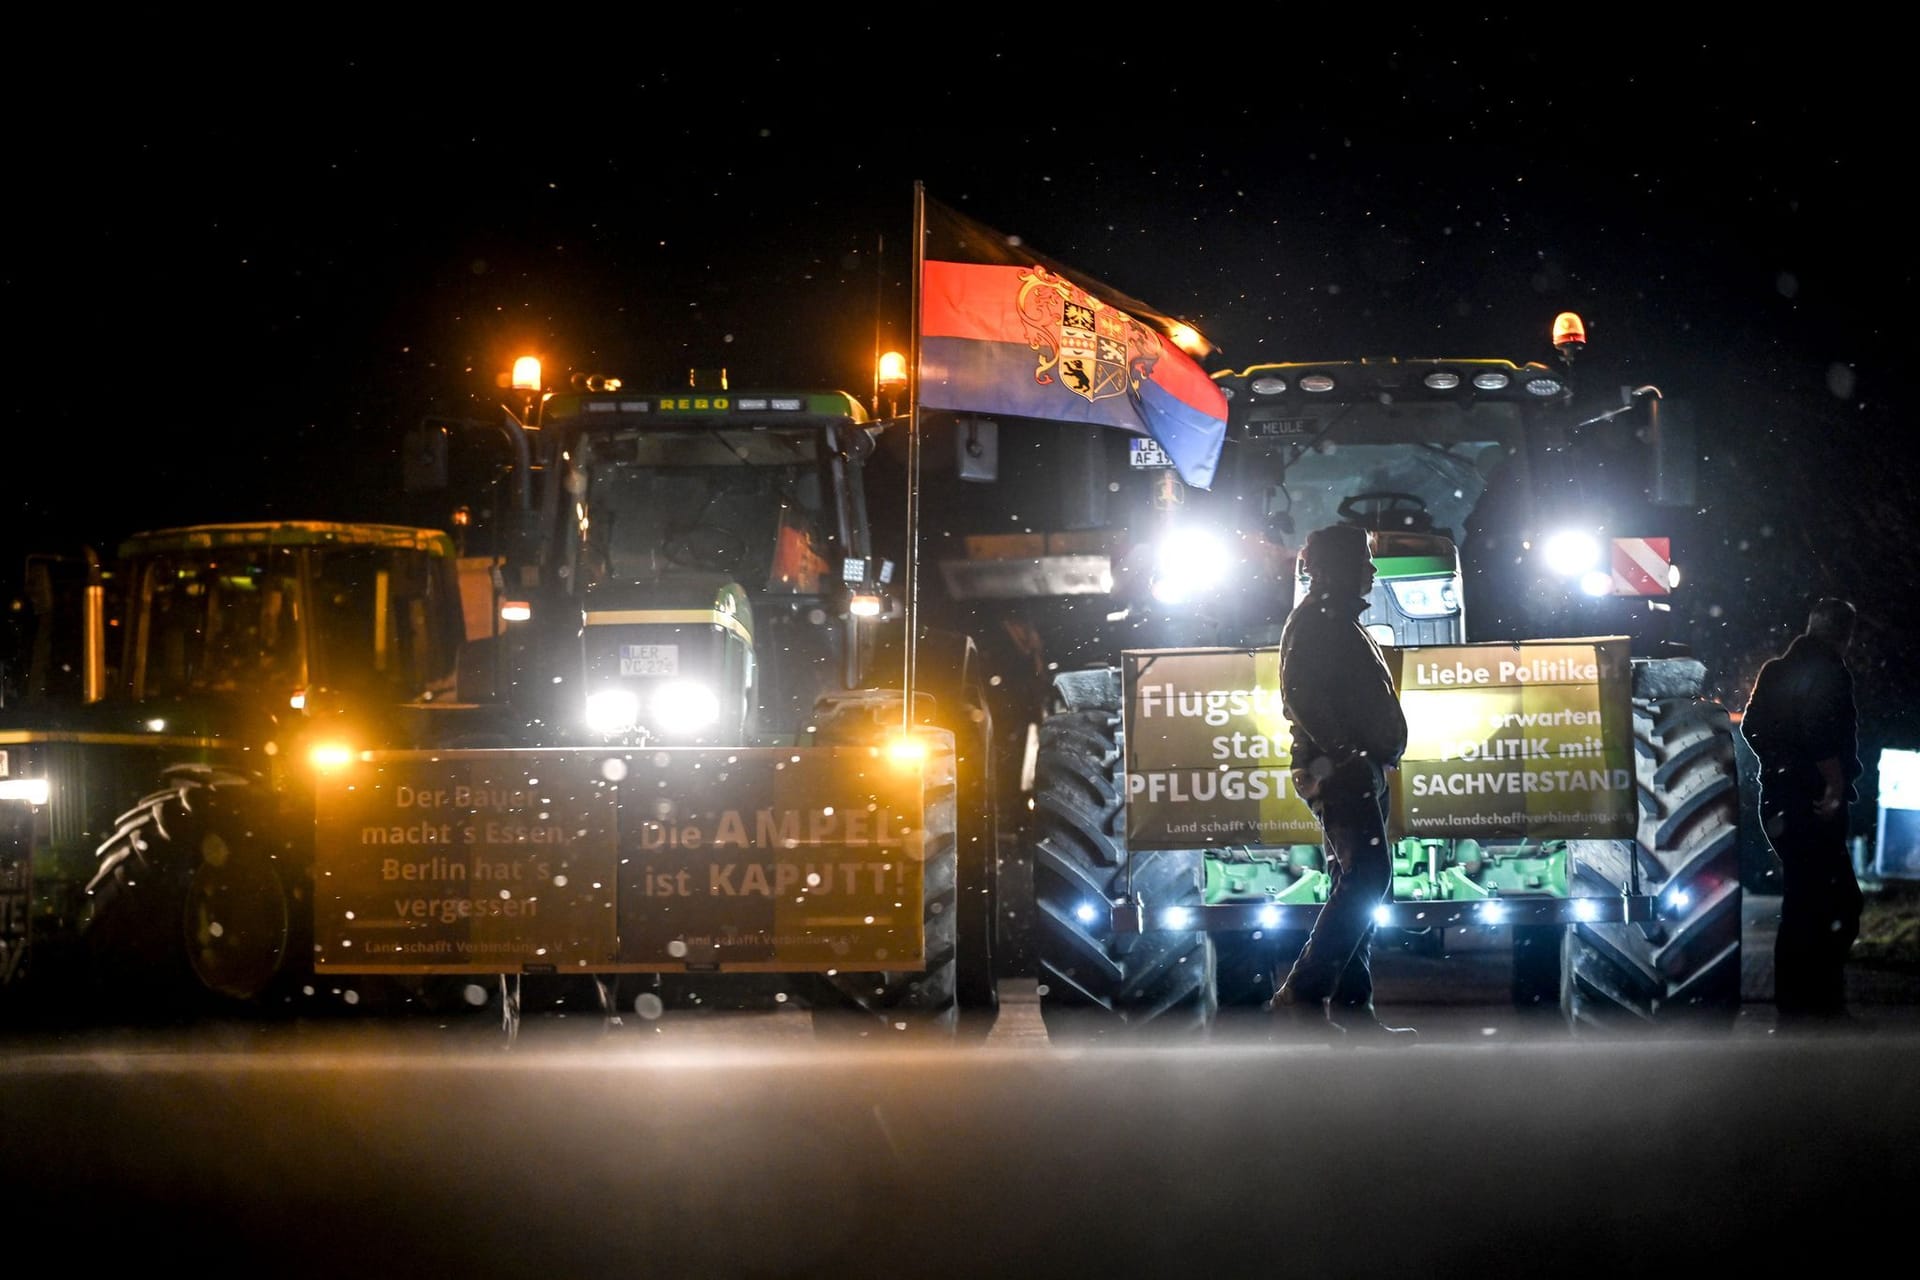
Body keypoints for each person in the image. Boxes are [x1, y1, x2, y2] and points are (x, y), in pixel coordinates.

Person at [1269, 523, 1416, 1045]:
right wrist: (1347, 754)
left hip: (1352, 769)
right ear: (1334, 568)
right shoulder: (1317, 623)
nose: (1372, 571)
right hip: (1342, 772)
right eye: (1363, 560)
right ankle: (1303, 994)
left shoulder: (1333, 622)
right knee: (1368, 879)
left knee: (1355, 882)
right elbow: (1300, 697)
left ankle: (1353, 1010)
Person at [1739, 597, 1866, 1031]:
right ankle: (1821, 1003)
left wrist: (1778, 764)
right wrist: (1830, 784)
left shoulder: (1775, 671)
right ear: (1844, 635)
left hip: (1777, 800)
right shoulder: (1830, 670)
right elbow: (1820, 730)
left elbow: (1749, 725)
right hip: (1812, 801)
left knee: (1803, 899)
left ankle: (1797, 1003)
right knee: (1839, 903)